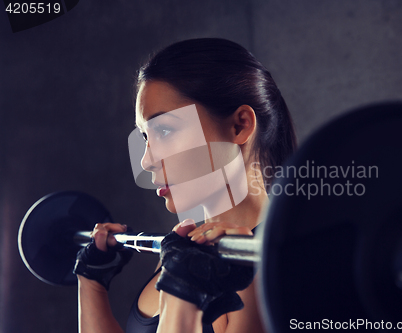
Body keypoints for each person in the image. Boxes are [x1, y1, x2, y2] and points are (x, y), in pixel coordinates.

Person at [74, 38, 297, 333]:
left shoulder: (270, 263)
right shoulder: (186, 251)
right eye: (145, 137)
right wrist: (92, 282)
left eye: (165, 129)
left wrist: (181, 296)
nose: (146, 161)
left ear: (239, 126)